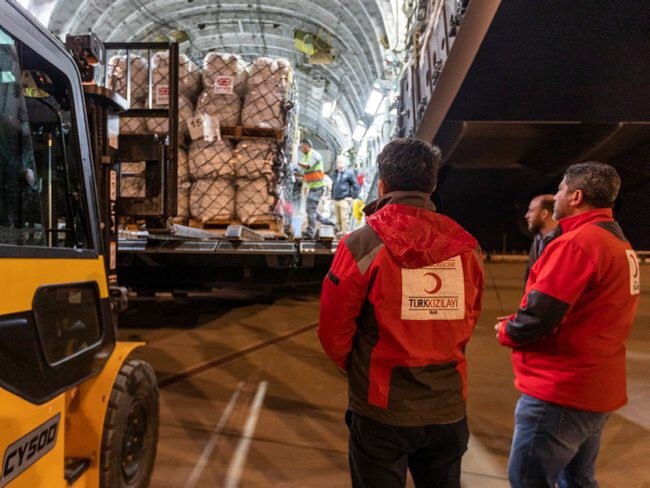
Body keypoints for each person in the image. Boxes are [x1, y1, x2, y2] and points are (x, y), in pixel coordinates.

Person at [319, 138, 484, 488]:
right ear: (432, 186)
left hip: (381, 407)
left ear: (381, 186)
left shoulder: (361, 245)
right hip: (448, 405)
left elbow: (333, 330)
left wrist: (362, 368)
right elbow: (470, 318)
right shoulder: (467, 247)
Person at [495, 162, 640, 488]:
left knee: (528, 480)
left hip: (560, 391)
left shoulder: (577, 243)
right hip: (596, 386)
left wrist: (507, 330)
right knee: (577, 479)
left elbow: (538, 317)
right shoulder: (619, 243)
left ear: (576, 197)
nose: (556, 196)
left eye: (560, 190)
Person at [523, 194, 560, 284]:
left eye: (531, 210)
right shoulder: (537, 240)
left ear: (544, 213)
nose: (526, 215)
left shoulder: (564, 240)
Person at [297, 138, 326, 239]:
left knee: (310, 209)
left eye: (302, 147)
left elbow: (308, 166)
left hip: (318, 186)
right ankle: (324, 221)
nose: (301, 149)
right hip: (313, 187)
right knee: (310, 209)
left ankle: (311, 232)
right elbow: (303, 172)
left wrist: (296, 162)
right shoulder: (305, 156)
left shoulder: (315, 154)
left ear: (307, 146)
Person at [331, 155, 360, 236]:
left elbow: (356, 186)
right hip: (335, 199)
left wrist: (352, 197)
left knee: (344, 217)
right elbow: (333, 186)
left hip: (344, 199)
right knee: (338, 218)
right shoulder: (335, 174)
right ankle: (340, 233)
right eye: (337, 162)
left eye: (340, 162)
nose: (338, 164)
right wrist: (331, 197)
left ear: (344, 164)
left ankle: (345, 233)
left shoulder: (349, 173)